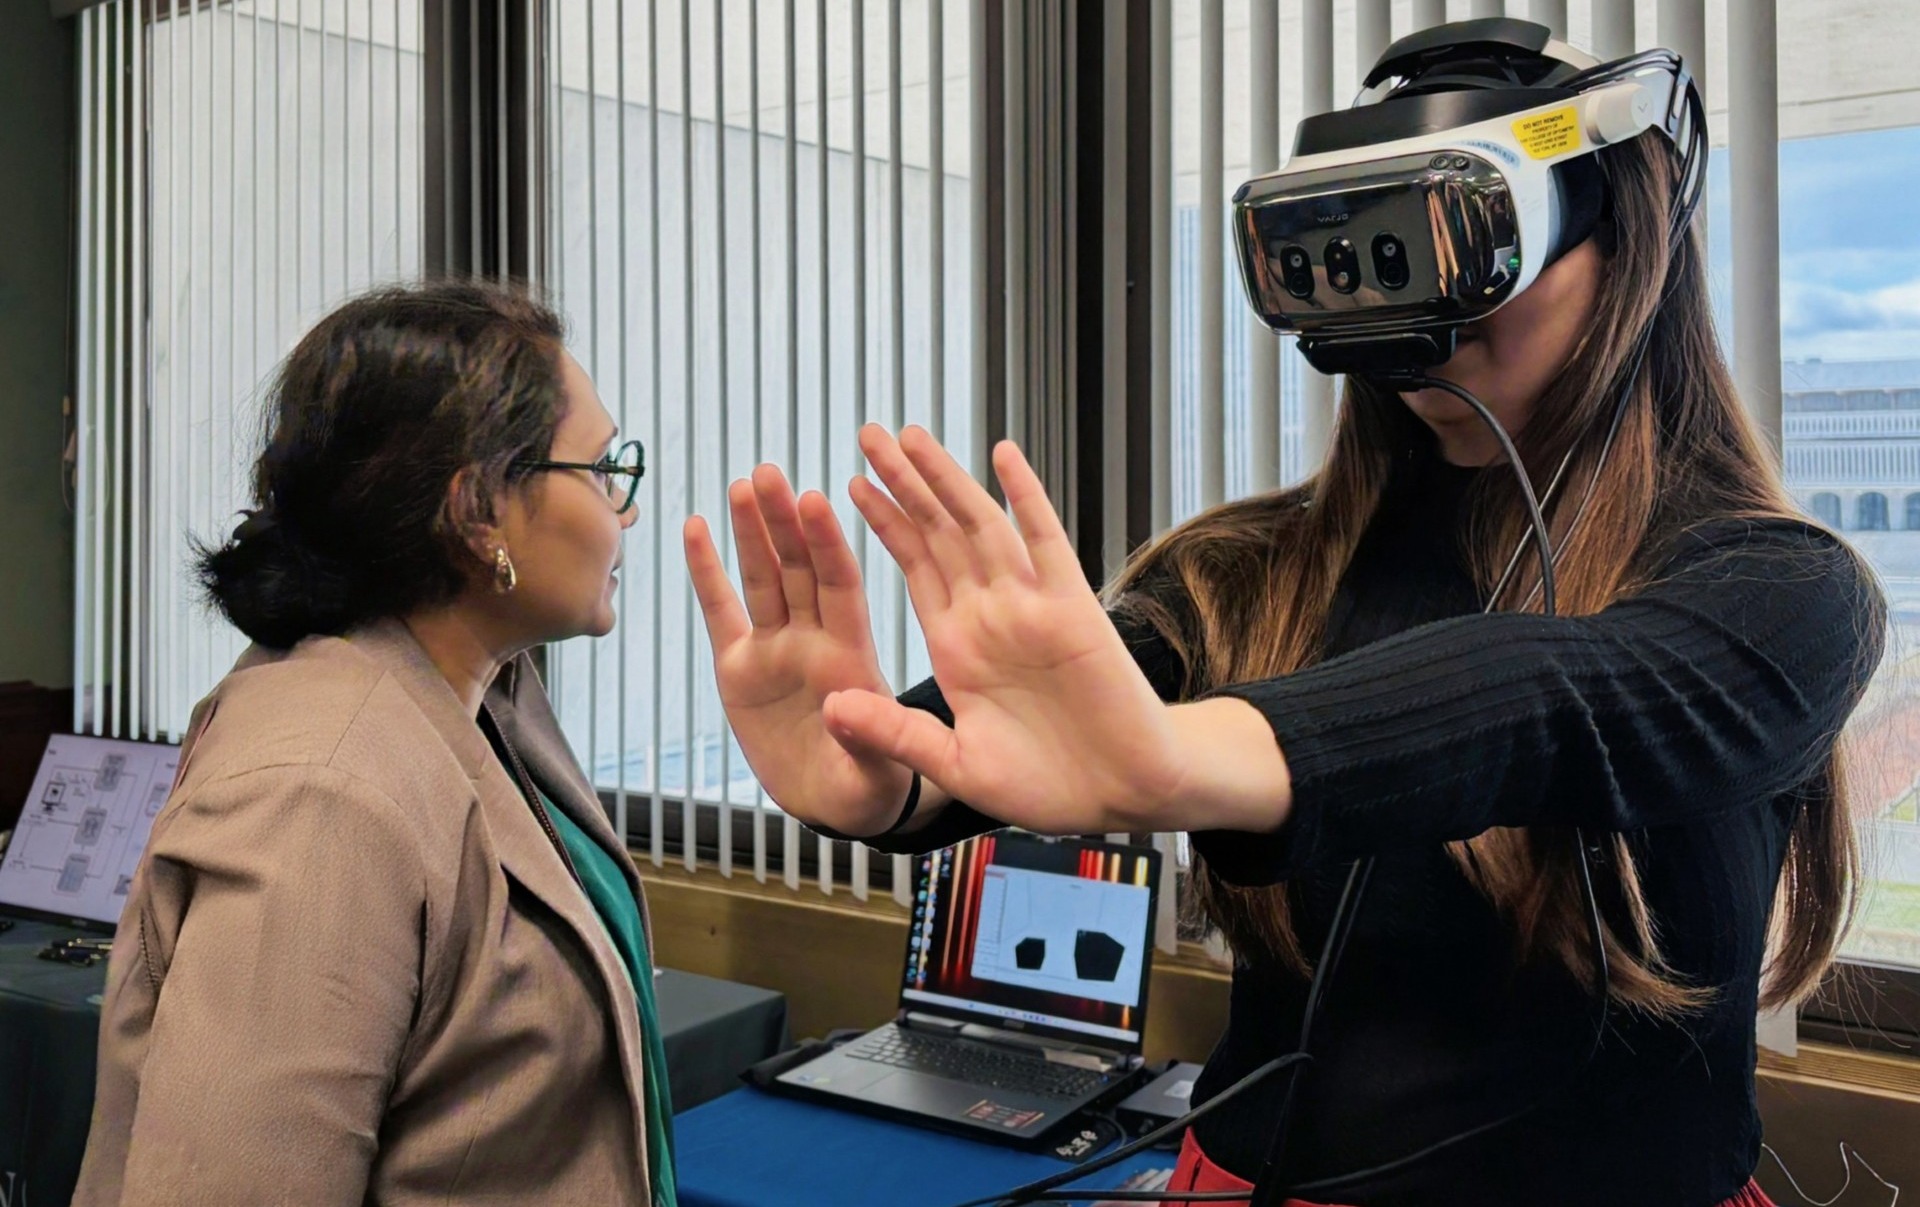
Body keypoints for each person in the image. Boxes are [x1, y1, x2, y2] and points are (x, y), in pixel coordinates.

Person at [683, 56, 1885, 1207]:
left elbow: (1575, 696)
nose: (1420, 301)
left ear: (1625, 242)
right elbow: (1039, 720)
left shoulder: (1777, 588)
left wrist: (1195, 755)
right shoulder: (1242, 574)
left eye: (1465, 240)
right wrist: (879, 771)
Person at [75, 280, 674, 1207]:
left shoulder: (479, 697)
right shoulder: (320, 796)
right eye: (598, 471)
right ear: (479, 512)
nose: (621, 510)